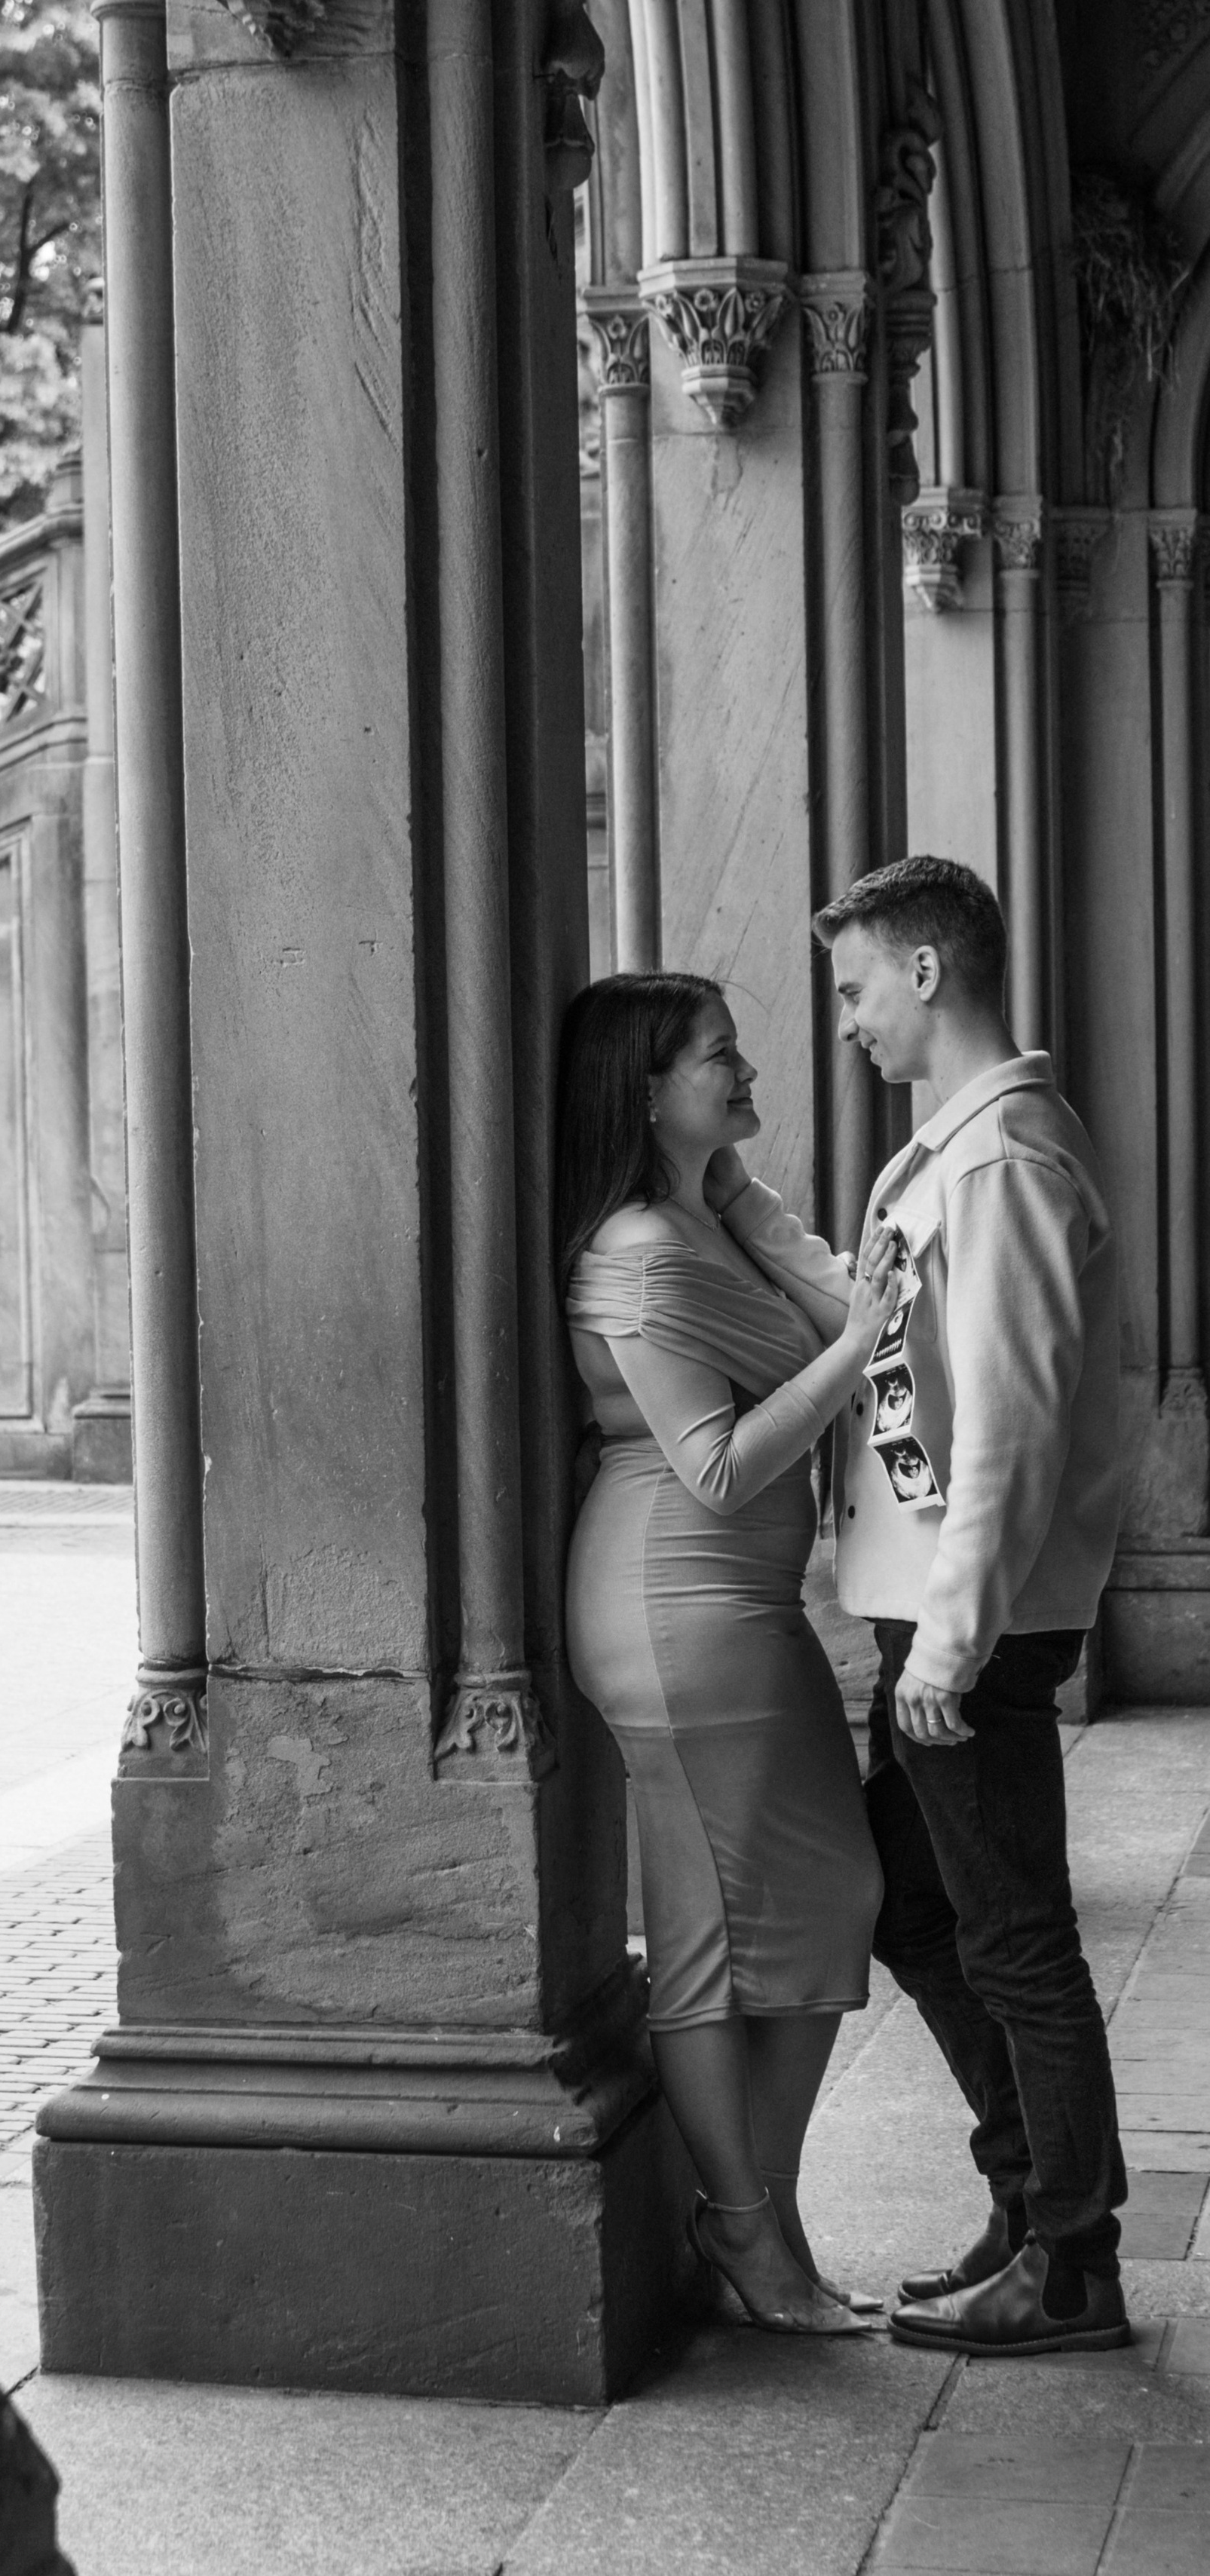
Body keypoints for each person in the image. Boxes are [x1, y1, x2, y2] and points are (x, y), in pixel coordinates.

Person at [715, 855, 1129, 2357]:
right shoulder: (953, 1153)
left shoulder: (1004, 1160)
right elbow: (882, 1321)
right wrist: (736, 1199)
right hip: (934, 1614)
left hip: (973, 1625)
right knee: (912, 1899)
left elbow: (1010, 1424)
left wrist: (948, 1647)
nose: (844, 1020)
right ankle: (1032, 2206)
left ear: (927, 972)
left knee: (1013, 1934)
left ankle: (1068, 2261)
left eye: (854, 986)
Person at [559, 973, 899, 2337]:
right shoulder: (640, 1249)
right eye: (721, 1055)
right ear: (647, 1089)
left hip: (738, 1607)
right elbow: (715, 1463)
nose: (750, 1069)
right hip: (674, 1601)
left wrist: (738, 1188)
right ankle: (748, 2225)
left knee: (824, 1893)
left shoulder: (705, 1218)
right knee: (718, 1926)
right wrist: (857, 1347)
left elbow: (835, 1297)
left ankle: (763, 2211)